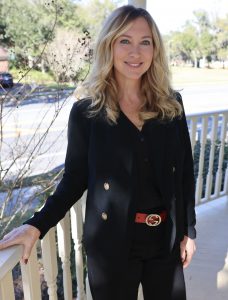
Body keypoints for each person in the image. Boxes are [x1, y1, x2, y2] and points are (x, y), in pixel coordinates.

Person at [0, 5, 196, 300]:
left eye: (146, 42)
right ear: (109, 45)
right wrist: (36, 225)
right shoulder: (87, 112)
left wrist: (188, 231)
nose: (136, 52)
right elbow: (74, 180)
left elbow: (184, 172)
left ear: (155, 49)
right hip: (111, 246)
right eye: (125, 41)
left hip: (164, 241)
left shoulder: (171, 105)